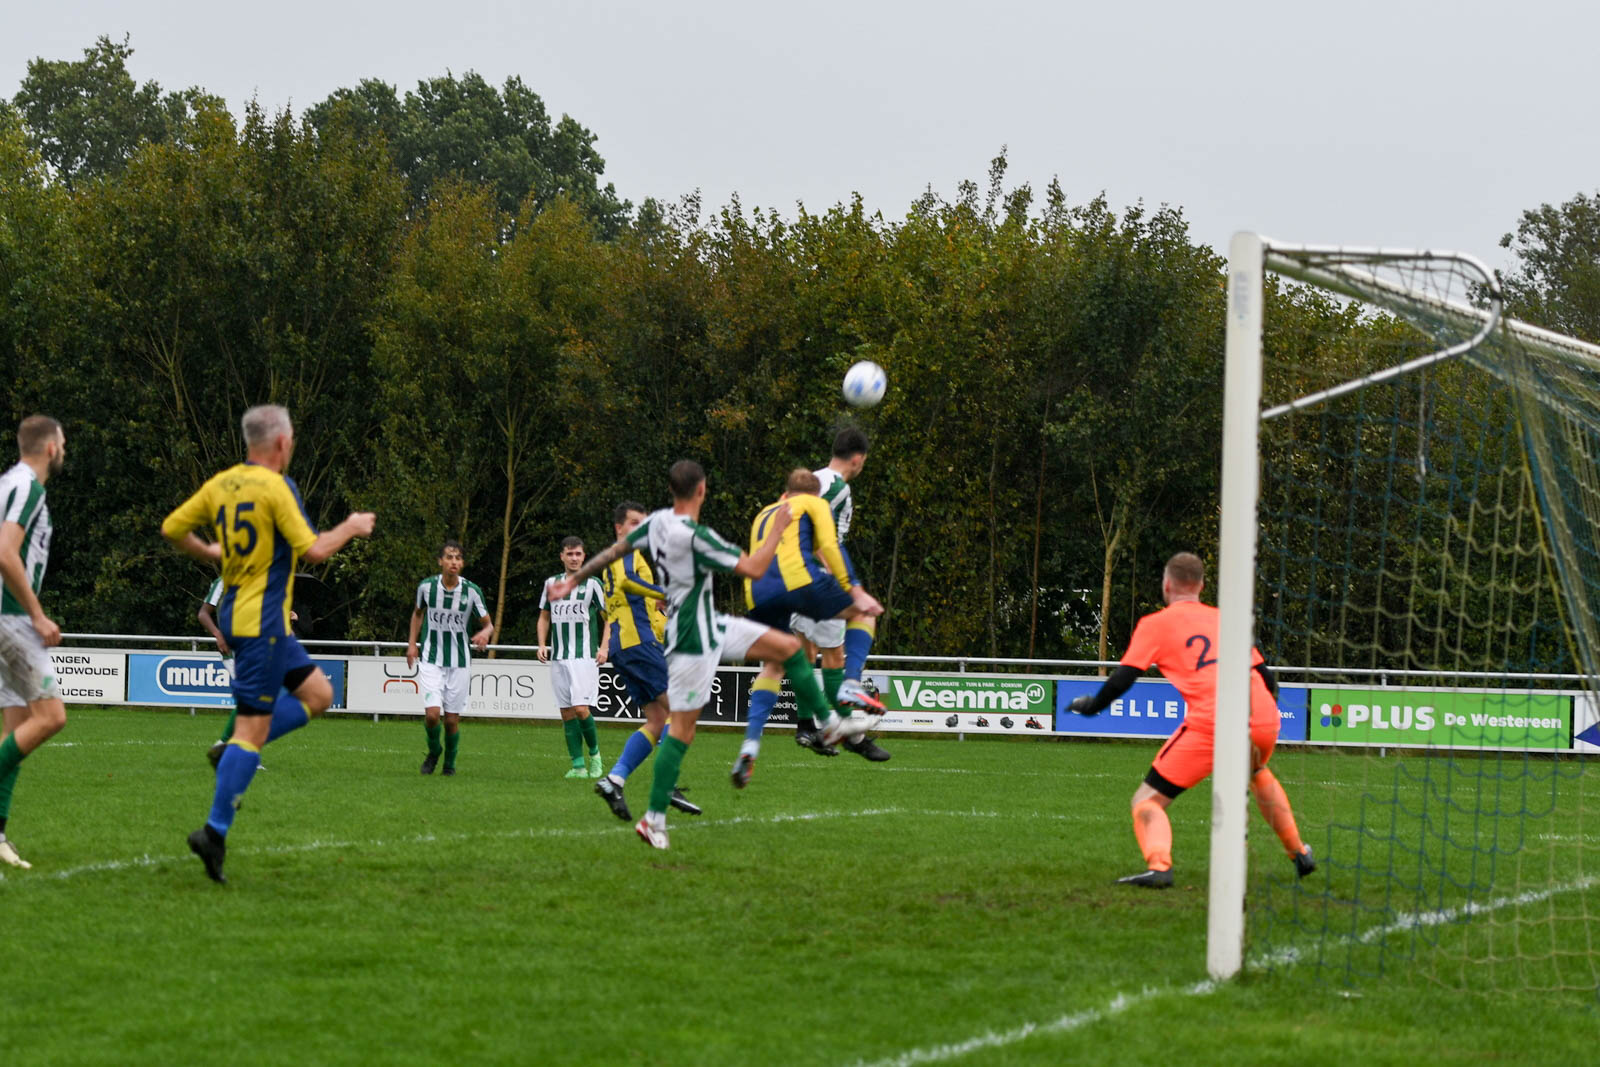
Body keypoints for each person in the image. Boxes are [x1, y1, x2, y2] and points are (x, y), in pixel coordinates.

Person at [546, 460, 865, 851]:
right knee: (681, 729)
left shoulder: (657, 523)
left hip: (701, 627)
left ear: (672, 491)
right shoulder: (697, 536)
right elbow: (755, 568)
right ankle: (653, 818)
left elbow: (614, 551)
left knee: (788, 648)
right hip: (695, 639)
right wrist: (778, 530)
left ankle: (828, 724)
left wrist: (574, 580)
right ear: (702, 490)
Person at [161, 403, 375, 884]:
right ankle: (214, 832)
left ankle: (233, 749)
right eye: (292, 438)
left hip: (249, 616)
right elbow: (314, 550)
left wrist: (208, 551)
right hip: (261, 624)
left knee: (319, 694)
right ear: (281, 442)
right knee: (252, 732)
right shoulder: (278, 486)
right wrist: (352, 526)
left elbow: (173, 528)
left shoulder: (222, 483)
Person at [1069, 552, 1316, 888]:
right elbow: (1267, 678)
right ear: (1201, 586)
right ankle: (1299, 852)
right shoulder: (1226, 620)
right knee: (1256, 772)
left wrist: (1093, 706)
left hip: (1215, 720)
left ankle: (1159, 867)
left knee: (1147, 800)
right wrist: (1260, 716)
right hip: (1263, 715)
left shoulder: (1156, 624)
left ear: (1167, 585)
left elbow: (1123, 678)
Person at [740, 468, 885, 784]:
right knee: (863, 615)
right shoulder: (816, 502)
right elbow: (829, 546)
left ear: (786, 490)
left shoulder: (766, 512)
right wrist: (852, 587)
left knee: (776, 664)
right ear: (815, 493)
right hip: (801, 581)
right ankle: (850, 687)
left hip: (759, 590)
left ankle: (751, 745)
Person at [592, 501, 700, 821]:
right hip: (637, 644)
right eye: (634, 522)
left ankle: (614, 781)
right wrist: (661, 592)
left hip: (624, 646)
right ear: (619, 528)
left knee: (657, 719)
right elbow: (628, 583)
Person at [791, 428, 889, 762]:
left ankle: (806, 725)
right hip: (819, 576)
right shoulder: (837, 487)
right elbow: (820, 535)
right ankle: (852, 732)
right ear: (858, 459)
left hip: (793, 575)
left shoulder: (810, 479)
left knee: (806, 650)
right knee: (848, 639)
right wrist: (841, 579)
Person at [0, 416, 70, 870]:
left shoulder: (7, 483)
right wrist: (38, 615)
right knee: (51, 717)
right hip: (11, 618)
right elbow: (5, 551)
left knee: (17, 727)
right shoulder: (27, 487)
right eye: (62, 443)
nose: (64, 450)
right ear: (49, 448)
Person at [407, 540, 494, 776]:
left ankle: (449, 764)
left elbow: (488, 624)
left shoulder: (472, 591)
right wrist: (412, 644)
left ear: (462, 563)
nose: (453, 562)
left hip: (459, 662)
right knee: (432, 715)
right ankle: (434, 750)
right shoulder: (426, 587)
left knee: (452, 720)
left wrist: (485, 633)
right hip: (431, 658)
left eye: (458, 558)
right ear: (440, 561)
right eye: (449, 557)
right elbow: (417, 614)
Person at [538, 537, 608, 779]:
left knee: (581, 709)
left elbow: (609, 618)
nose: (574, 558)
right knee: (566, 712)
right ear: (562, 556)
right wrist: (541, 644)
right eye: (570, 554)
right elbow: (544, 617)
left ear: (584, 556)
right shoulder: (551, 583)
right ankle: (578, 766)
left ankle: (595, 756)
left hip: (584, 656)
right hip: (559, 657)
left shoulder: (593, 584)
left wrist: (604, 647)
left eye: (578, 554)